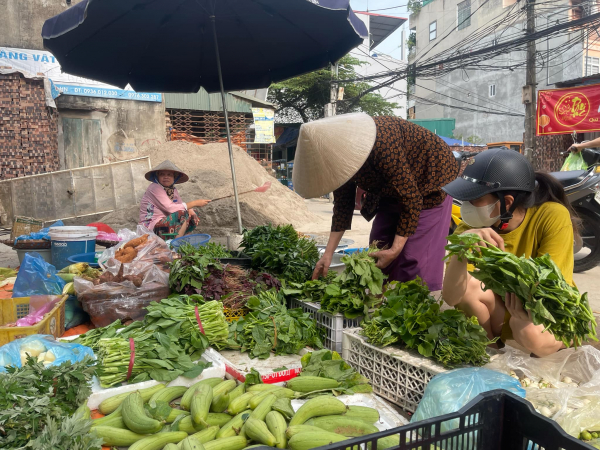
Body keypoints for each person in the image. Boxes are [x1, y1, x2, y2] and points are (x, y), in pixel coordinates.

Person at [292, 113, 459, 290]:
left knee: (412, 260)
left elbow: (411, 197)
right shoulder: (338, 160)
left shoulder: (383, 141)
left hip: (429, 185)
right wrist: (328, 253)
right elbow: (342, 206)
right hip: (390, 191)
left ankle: (417, 306)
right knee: (378, 249)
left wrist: (395, 250)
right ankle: (381, 307)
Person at [442, 148, 580, 357]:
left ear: (506, 202)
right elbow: (452, 298)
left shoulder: (551, 216)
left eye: (475, 199)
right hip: (505, 310)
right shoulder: (470, 229)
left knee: (528, 332)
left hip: (546, 313)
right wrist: (461, 250)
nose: (466, 207)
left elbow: (551, 289)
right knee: (468, 289)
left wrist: (518, 315)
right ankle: (493, 355)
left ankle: (542, 351)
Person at [139, 160, 211, 240]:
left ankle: (184, 239)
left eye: (169, 175)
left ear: (174, 177)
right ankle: (175, 244)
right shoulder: (155, 188)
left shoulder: (172, 189)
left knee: (193, 214)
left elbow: (180, 205)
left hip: (164, 222)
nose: (166, 177)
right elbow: (170, 208)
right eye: (162, 174)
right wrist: (194, 203)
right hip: (150, 226)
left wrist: (190, 209)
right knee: (182, 214)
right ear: (157, 177)